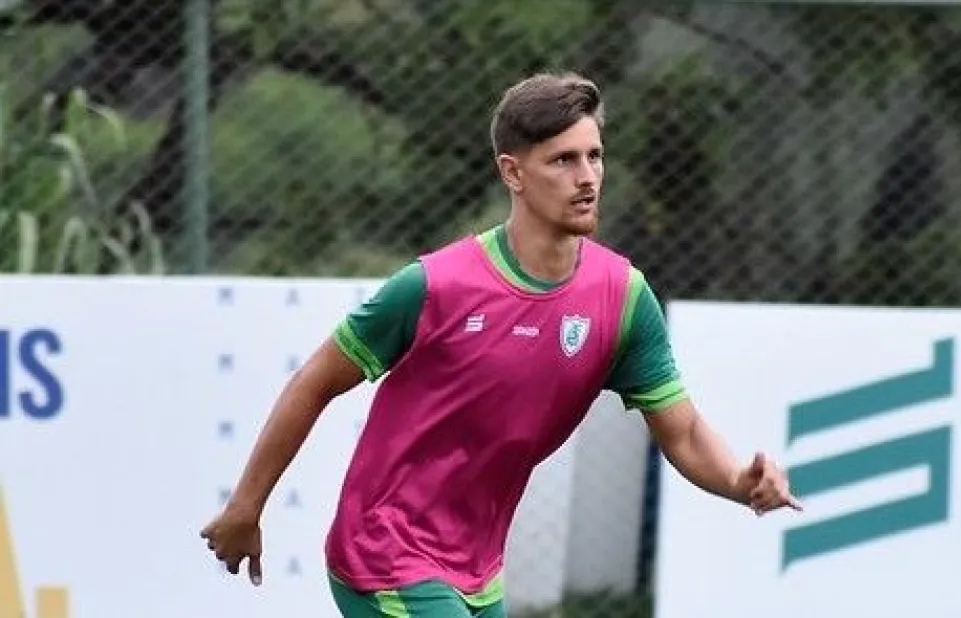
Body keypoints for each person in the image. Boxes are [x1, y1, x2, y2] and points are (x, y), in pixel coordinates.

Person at [199, 71, 801, 618]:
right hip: (385, 550)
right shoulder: (434, 286)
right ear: (512, 172)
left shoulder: (622, 298)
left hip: (478, 572)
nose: (587, 176)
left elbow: (685, 431)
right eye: (562, 160)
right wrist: (246, 507)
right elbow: (314, 382)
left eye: (594, 156)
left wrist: (736, 481)